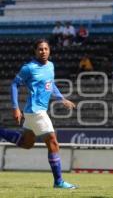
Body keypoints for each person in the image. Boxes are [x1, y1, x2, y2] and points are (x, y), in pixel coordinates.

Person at [7, 39, 77, 189]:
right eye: (40, 49)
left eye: (45, 49)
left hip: (34, 112)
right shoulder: (29, 68)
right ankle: (58, 182)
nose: (43, 51)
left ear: (49, 50)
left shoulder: (50, 66)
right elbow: (14, 84)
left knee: (27, 143)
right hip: (35, 110)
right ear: (35, 51)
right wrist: (15, 107)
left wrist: (61, 98)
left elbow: (50, 84)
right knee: (53, 142)